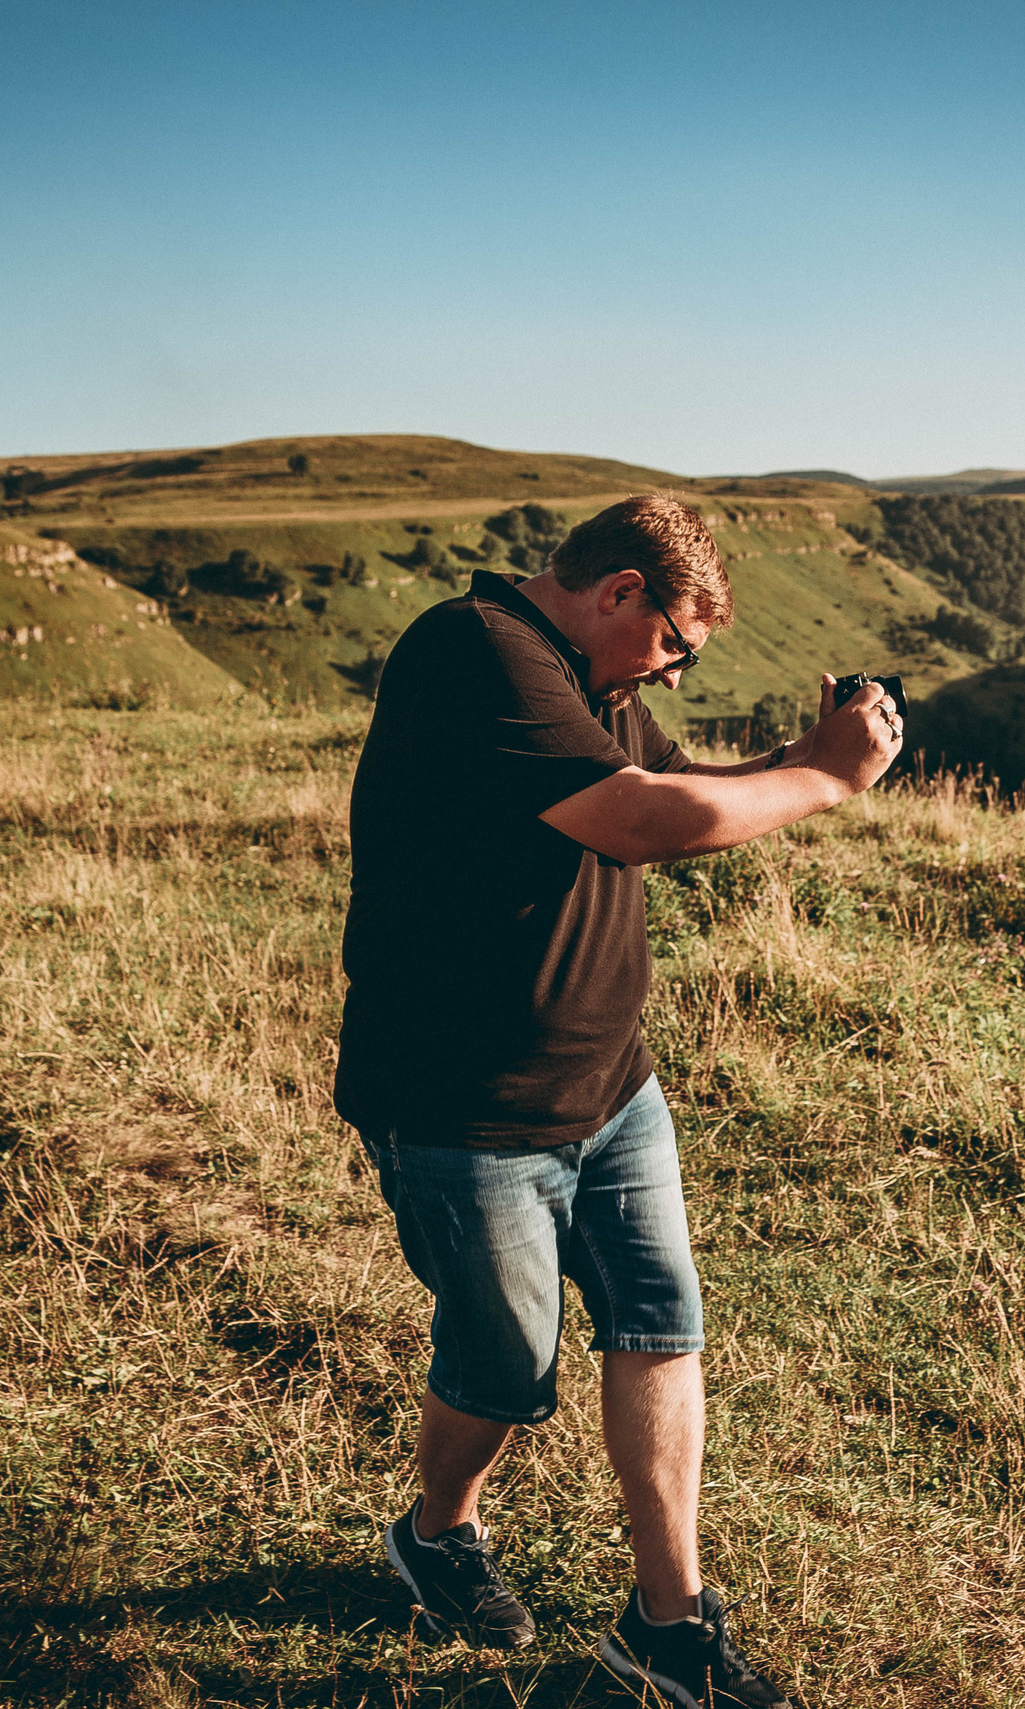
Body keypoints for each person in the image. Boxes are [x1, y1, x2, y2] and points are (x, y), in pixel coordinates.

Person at [335, 493, 900, 1708]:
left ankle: (668, 1621)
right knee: (502, 1359)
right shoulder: (476, 653)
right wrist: (826, 782)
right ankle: (437, 1532)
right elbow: (642, 818)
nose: (676, 670)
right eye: (674, 646)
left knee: (659, 1318)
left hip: (610, 1085)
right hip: (466, 1099)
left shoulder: (589, 681)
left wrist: (797, 759)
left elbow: (664, 777)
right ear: (620, 594)